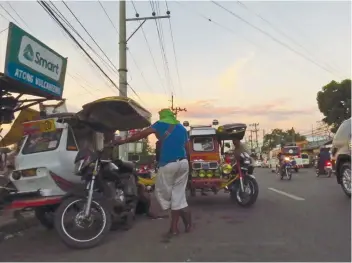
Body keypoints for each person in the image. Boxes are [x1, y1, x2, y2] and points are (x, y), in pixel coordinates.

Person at [112, 108, 192, 237]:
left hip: (168, 163)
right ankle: (185, 225)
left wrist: (123, 141)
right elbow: (188, 148)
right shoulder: (182, 128)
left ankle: (175, 228)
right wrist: (189, 164)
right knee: (178, 196)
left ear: (162, 116)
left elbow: (140, 135)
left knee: (163, 193)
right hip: (183, 163)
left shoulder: (160, 124)